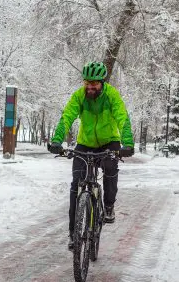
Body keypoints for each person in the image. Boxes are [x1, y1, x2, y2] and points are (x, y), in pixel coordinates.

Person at [48, 61, 134, 250]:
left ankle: (109, 205)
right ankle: (73, 233)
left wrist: (127, 143)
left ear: (102, 82)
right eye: (87, 82)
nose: (90, 86)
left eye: (94, 83)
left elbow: (122, 117)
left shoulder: (111, 95)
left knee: (111, 168)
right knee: (76, 185)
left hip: (109, 141)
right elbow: (67, 116)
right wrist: (57, 141)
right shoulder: (79, 96)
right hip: (85, 143)